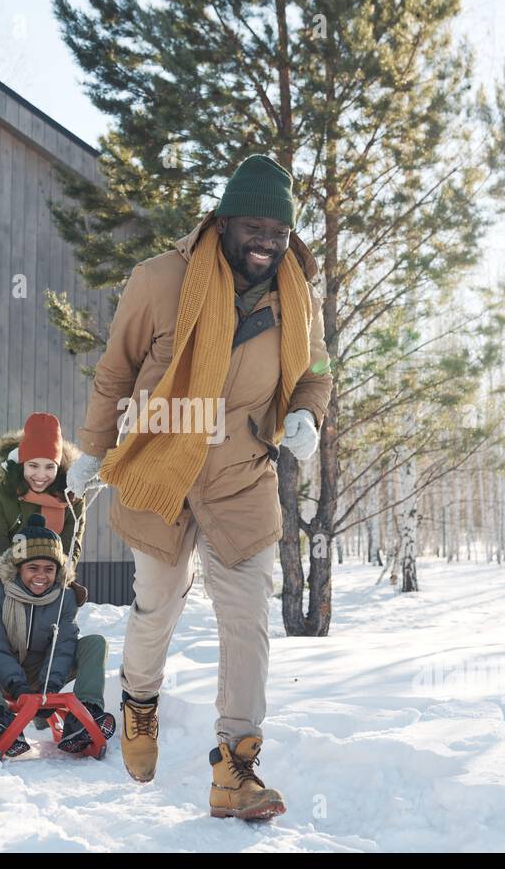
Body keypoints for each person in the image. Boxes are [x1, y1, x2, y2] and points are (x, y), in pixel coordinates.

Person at [67, 154, 331, 819]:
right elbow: (115, 373)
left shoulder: (297, 294)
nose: (266, 240)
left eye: (278, 228)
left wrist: (306, 414)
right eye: (253, 226)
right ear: (224, 220)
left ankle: (235, 769)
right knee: (158, 604)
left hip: (243, 479)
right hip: (161, 470)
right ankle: (139, 704)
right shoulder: (160, 279)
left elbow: (316, 371)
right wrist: (93, 452)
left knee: (246, 619)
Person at [0, 513, 115, 757]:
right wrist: (17, 686)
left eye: (49, 569)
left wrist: (49, 687)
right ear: (18, 569)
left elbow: (63, 644)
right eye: (33, 568)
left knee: (95, 643)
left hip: (48, 672)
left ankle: (85, 715)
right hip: (5, 673)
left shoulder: (65, 596)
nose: (41, 575)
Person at [0, 412, 88, 614]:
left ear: (59, 466)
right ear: (22, 464)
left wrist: (50, 580)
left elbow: (71, 545)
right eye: (33, 466)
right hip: (2, 578)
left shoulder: (72, 497)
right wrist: (12, 583)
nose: (40, 475)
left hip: (48, 581)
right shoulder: (1, 493)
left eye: (49, 467)